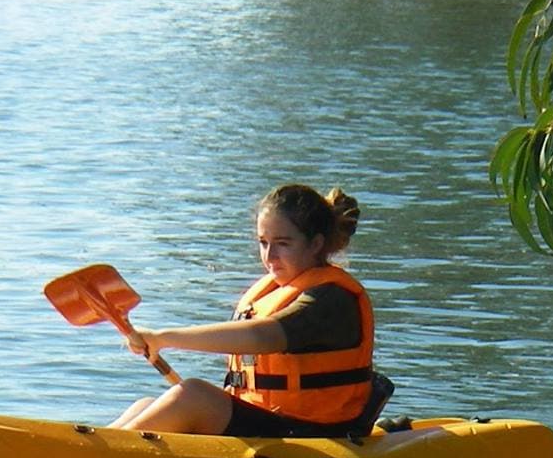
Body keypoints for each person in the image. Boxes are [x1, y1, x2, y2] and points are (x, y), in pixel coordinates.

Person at [110, 184, 380, 437]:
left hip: (315, 433)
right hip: (270, 420)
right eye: (263, 242)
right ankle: (85, 451)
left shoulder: (331, 298)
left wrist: (163, 338)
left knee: (192, 396)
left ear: (316, 244)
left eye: (283, 243)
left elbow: (264, 337)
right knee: (146, 405)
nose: (270, 255)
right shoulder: (277, 289)